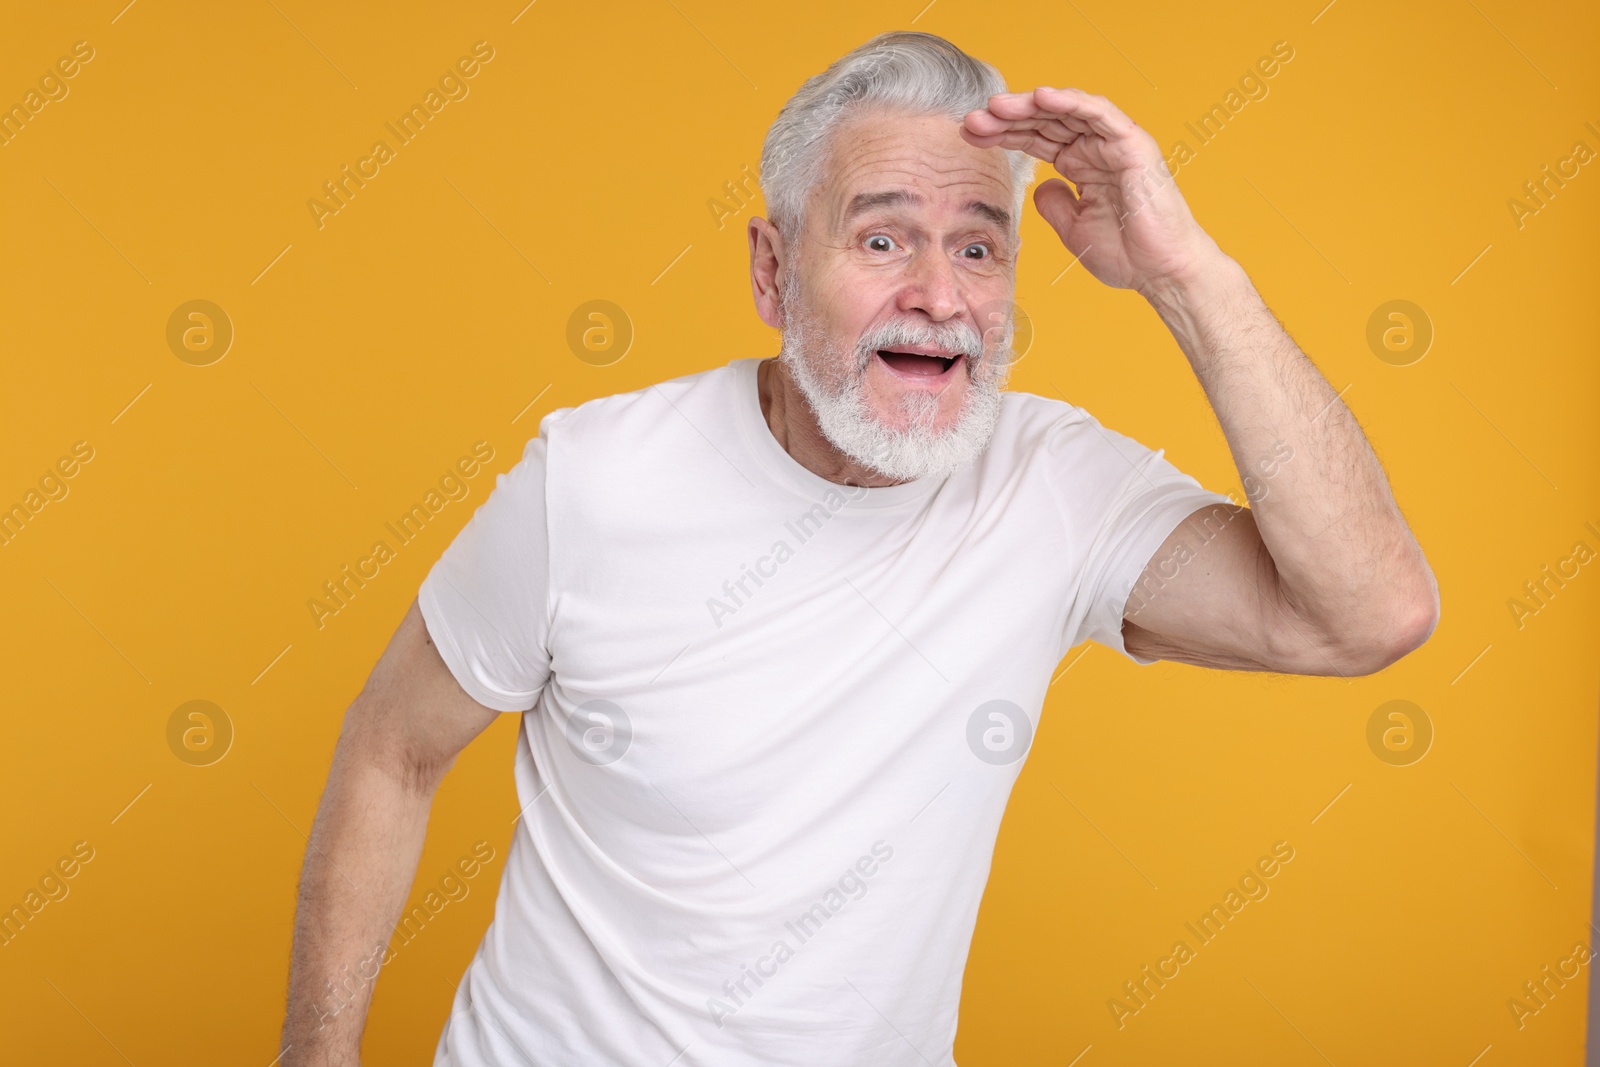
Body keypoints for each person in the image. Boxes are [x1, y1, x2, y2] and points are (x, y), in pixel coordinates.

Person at [278, 29, 1438, 1067]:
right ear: (772, 273)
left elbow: (1363, 612)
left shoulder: (1053, 486)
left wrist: (1187, 274)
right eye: (882, 237)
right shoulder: (592, 480)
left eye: (979, 250)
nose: (936, 294)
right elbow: (392, 749)